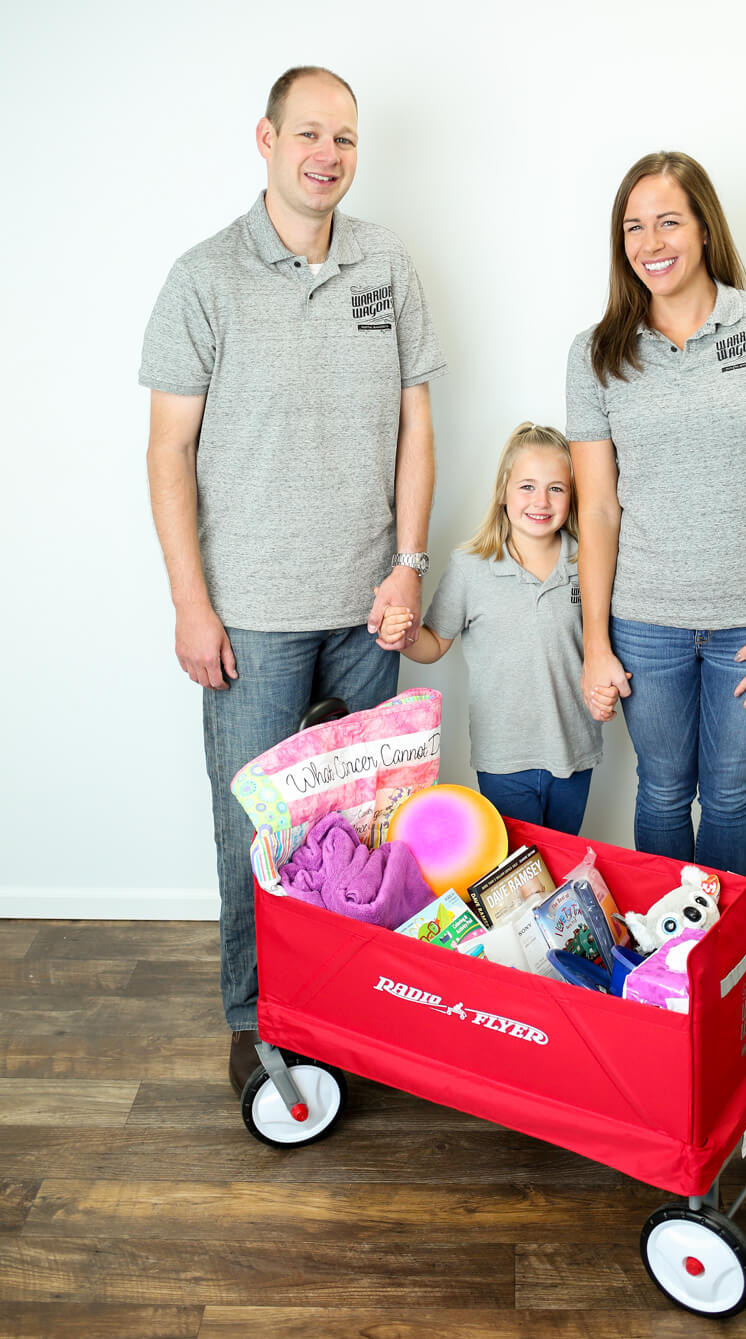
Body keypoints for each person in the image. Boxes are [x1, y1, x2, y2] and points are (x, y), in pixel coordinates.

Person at [140, 66, 446, 1093]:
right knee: (257, 834)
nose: (328, 154)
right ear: (265, 140)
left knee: (363, 835)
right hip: (252, 617)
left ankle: (357, 1010)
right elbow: (167, 450)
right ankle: (259, 1016)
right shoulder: (203, 276)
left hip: (370, 609)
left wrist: (408, 568)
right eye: (309, 134)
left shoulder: (386, 265)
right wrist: (192, 600)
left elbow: (415, 425)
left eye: (345, 139)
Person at [566, 151, 746, 876]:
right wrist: (596, 641)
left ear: (705, 228)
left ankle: (716, 959)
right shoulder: (597, 355)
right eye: (633, 228)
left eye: (668, 222)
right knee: (660, 789)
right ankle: (665, 960)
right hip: (645, 622)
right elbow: (597, 509)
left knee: (728, 789)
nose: (650, 243)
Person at [378, 422, 619, 835]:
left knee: (559, 866)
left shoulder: (589, 563)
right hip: (503, 760)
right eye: (527, 486)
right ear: (504, 491)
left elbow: (604, 647)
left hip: (575, 753)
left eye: (556, 488)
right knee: (513, 876)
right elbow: (434, 642)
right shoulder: (472, 566)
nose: (540, 500)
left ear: (573, 496)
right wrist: (403, 638)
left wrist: (607, 687)